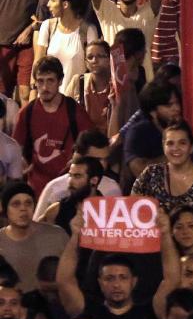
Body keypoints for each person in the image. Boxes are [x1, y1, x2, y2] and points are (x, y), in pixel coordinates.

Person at [13, 57, 92, 193]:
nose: (44, 87)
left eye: (50, 80)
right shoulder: (27, 112)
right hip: (35, 190)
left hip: (68, 188)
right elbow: (14, 150)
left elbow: (91, 147)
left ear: (60, 81)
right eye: (40, 81)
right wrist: (20, 162)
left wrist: (79, 160)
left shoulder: (75, 111)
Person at [132, 121, 193, 232]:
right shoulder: (151, 174)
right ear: (163, 146)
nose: (176, 148)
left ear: (191, 147)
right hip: (158, 245)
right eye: (170, 143)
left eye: (182, 143)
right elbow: (132, 209)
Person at [33, 130, 118, 219]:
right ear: (80, 157)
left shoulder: (113, 189)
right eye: (97, 160)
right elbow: (38, 228)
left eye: (106, 159)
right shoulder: (54, 188)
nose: (103, 165)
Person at [0, 182, 68, 291]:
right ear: (5, 208)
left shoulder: (57, 235)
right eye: (16, 204)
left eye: (28, 203)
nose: (23, 208)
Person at [34, 0, 96, 96]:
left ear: (65, 4)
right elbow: (37, 65)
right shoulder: (47, 26)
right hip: (47, 98)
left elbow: (93, 70)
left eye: (53, 0)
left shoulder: (88, 31)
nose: (48, 4)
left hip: (74, 100)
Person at [38, 155, 102, 234]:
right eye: (70, 175)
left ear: (94, 180)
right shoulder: (57, 210)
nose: (70, 182)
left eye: (77, 176)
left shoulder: (111, 212)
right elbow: (34, 236)